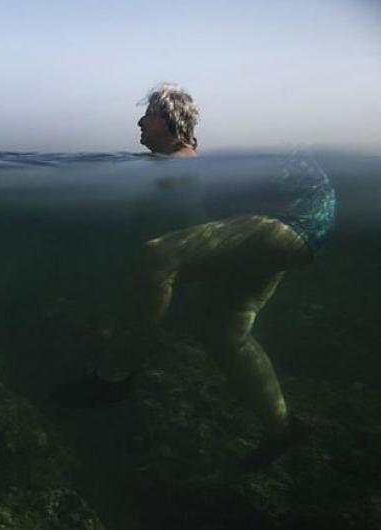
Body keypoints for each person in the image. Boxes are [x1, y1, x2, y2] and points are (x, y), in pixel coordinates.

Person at [51, 83, 336, 467]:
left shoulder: (186, 162)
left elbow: (185, 240)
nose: (138, 122)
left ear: (169, 122)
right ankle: (282, 429)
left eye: (148, 115)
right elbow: (205, 229)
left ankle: (114, 378)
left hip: (293, 222)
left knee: (157, 257)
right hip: (300, 229)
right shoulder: (190, 164)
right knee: (222, 331)